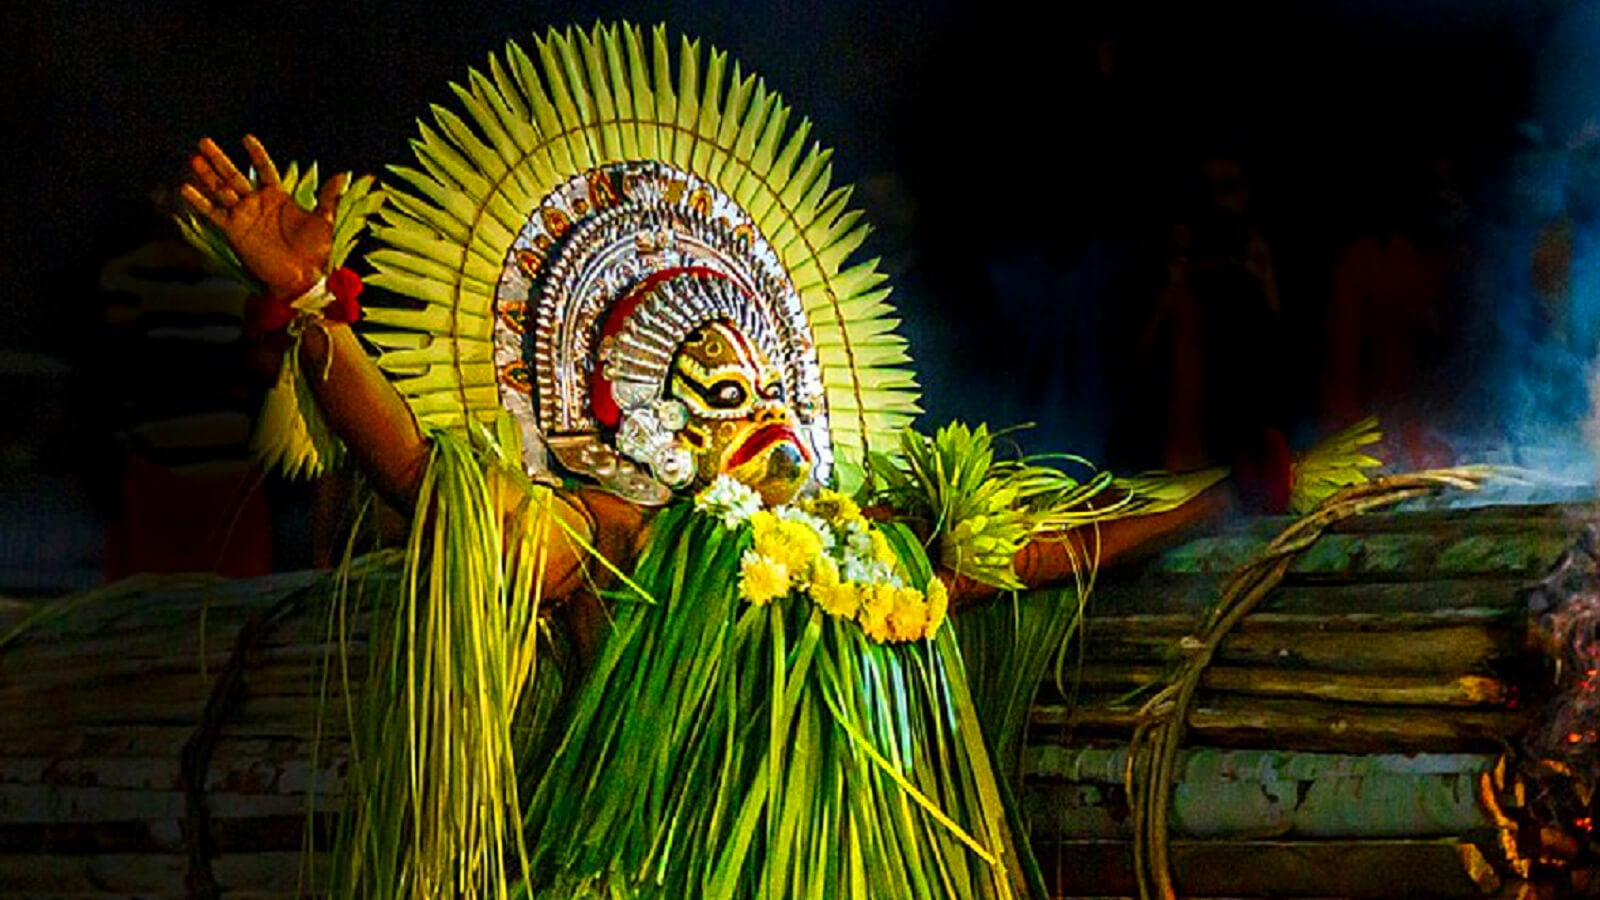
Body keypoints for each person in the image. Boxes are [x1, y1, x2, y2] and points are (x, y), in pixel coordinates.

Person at [180, 24, 1296, 899]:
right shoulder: (616, 537)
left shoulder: (873, 553)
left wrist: (1207, 510)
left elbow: (1042, 556)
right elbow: (427, 481)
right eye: (723, 391)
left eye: (769, 384)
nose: (764, 409)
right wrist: (313, 309)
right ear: (647, 421)